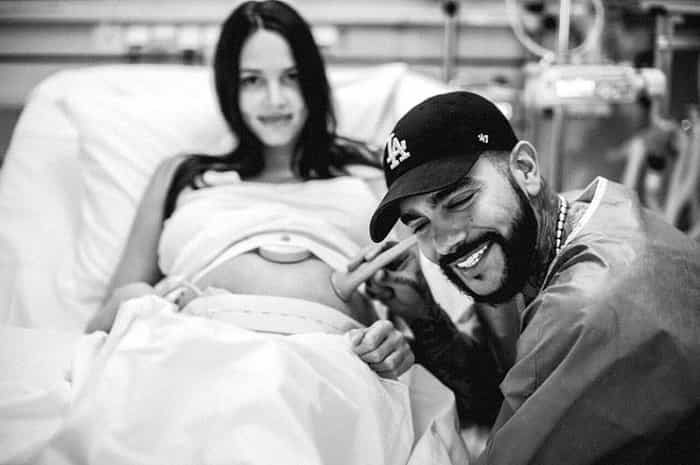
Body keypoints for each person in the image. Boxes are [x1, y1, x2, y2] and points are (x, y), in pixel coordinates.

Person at [350, 90, 700, 464]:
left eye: (459, 202)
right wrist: (422, 312)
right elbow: (494, 388)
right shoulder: (539, 241)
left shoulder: (588, 306)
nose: (445, 242)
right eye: (420, 225)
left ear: (526, 169)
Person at [84, 0, 414, 379]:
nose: (275, 99)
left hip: (337, 361)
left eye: (291, 76)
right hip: (193, 350)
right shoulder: (183, 176)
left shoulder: (371, 173)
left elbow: (417, 308)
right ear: (230, 88)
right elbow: (103, 322)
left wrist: (398, 343)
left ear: (312, 80)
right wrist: (143, 301)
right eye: (252, 80)